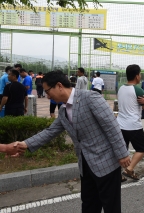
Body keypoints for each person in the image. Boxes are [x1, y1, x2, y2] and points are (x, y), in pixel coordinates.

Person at [12, 71, 130, 213]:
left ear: (59, 85)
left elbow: (111, 127)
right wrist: (26, 144)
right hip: (85, 165)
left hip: (107, 163)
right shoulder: (63, 111)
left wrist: (122, 154)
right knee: (88, 204)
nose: (48, 96)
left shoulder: (90, 98)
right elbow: (50, 132)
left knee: (111, 206)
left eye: (48, 91)